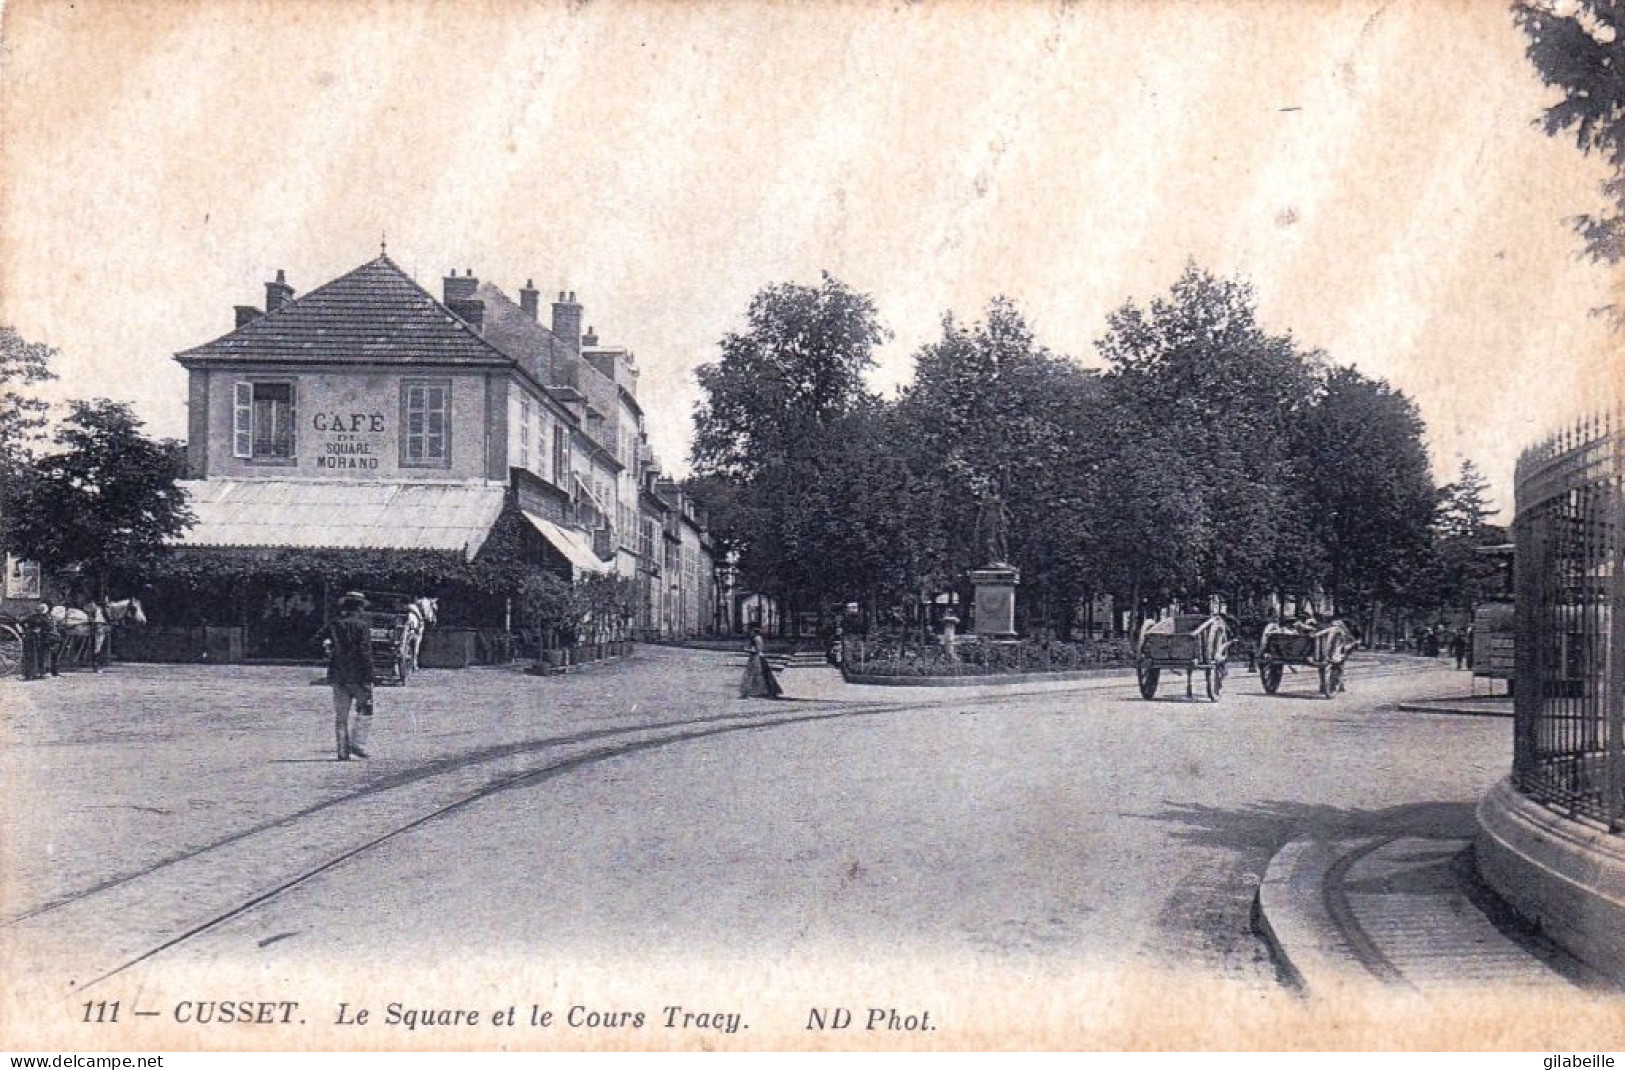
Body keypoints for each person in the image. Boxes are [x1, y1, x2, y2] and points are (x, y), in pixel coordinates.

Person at [317, 591, 376, 760]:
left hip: (338, 674)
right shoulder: (362, 626)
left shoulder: (334, 624)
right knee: (366, 709)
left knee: (341, 716)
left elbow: (316, 640)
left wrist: (327, 648)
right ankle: (358, 743)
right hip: (358, 675)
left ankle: (342, 752)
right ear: (358, 608)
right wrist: (370, 675)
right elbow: (365, 652)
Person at [739, 623, 784, 699]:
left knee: (753, 675)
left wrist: (747, 649)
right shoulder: (756, 638)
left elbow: (757, 649)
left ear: (754, 631)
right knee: (758, 675)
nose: (750, 632)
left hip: (757, 658)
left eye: (751, 631)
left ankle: (752, 693)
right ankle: (761, 692)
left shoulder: (757, 638)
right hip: (756, 658)